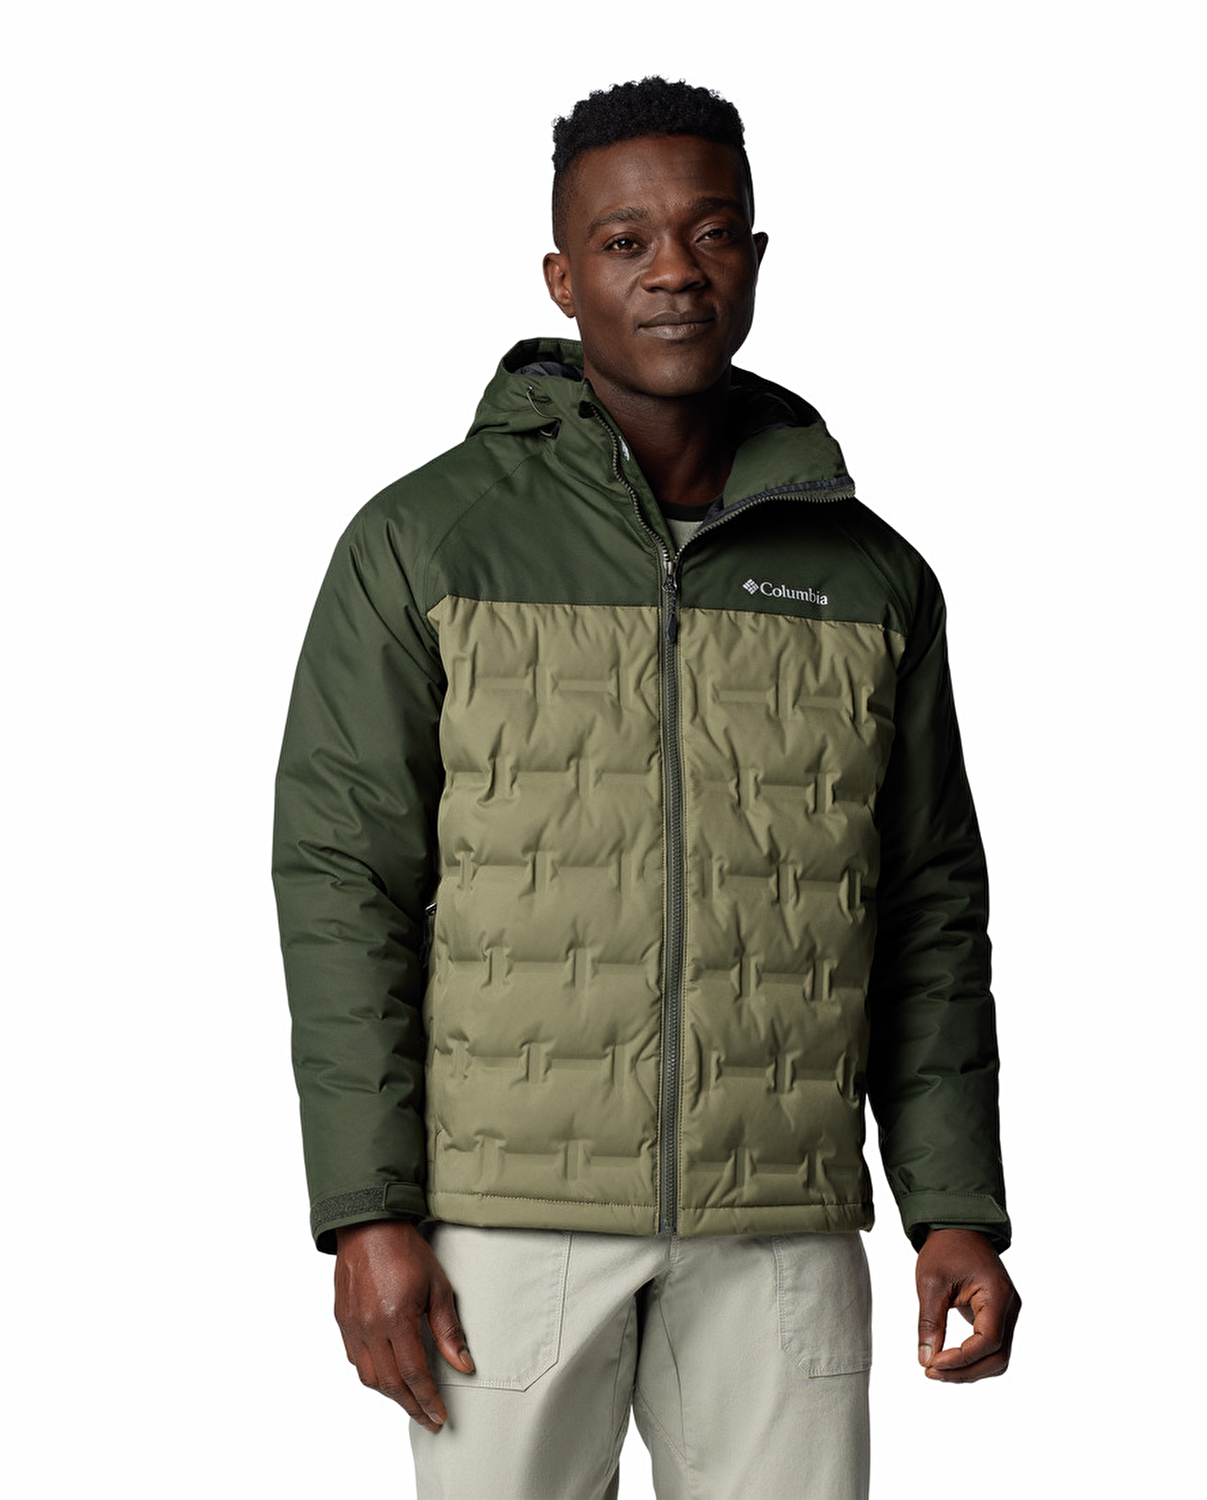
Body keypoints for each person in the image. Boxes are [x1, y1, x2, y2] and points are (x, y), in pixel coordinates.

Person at [272, 75, 1021, 1499]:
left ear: (755, 257)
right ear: (563, 279)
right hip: (504, 1228)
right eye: (624, 243)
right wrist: (364, 1211)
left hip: (780, 1225)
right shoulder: (426, 542)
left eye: (709, 232)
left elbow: (927, 907)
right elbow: (341, 884)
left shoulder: (870, 576)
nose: (673, 270)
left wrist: (953, 1203)